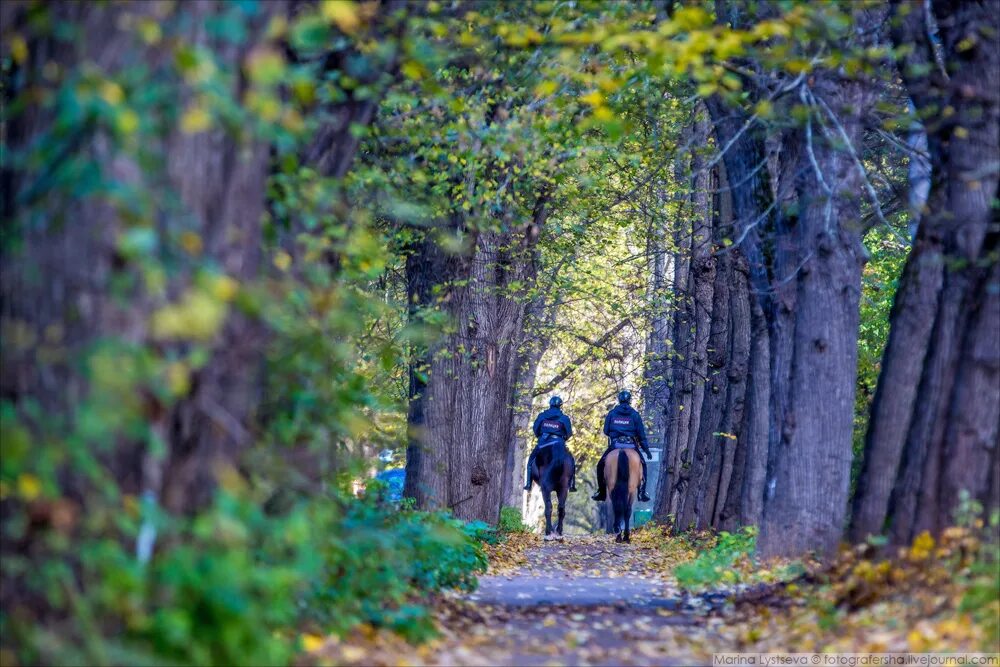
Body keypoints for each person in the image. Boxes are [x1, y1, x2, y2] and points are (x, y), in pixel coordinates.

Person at [591, 390, 652, 502]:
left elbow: (606, 430)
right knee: (644, 465)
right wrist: (646, 450)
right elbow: (641, 434)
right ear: (629, 400)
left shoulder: (612, 413)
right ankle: (642, 492)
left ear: (619, 400)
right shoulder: (635, 414)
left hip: (615, 444)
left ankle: (601, 492)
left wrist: (615, 433)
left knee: (600, 465)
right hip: (631, 445)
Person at [524, 395, 576, 492]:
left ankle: (528, 484)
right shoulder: (564, 418)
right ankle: (572, 484)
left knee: (531, 461)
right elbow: (569, 433)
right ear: (560, 405)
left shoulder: (542, 416)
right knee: (572, 461)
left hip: (543, 442)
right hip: (559, 443)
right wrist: (563, 438)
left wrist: (540, 436)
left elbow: (535, 429)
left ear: (550, 404)